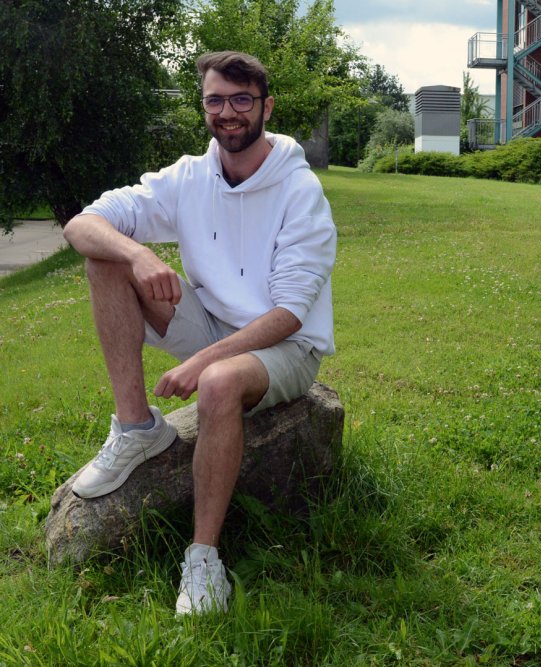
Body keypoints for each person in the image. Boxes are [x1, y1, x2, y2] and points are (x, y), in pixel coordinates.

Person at [63, 51, 336, 616]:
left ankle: (203, 558)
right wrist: (138, 254)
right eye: (216, 100)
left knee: (215, 384)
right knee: (106, 259)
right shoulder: (188, 176)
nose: (228, 112)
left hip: (286, 347)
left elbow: (289, 314)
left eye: (241, 100)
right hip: (211, 322)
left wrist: (201, 363)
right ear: (204, 105)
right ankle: (137, 429)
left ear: (266, 106)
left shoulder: (299, 190)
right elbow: (81, 224)